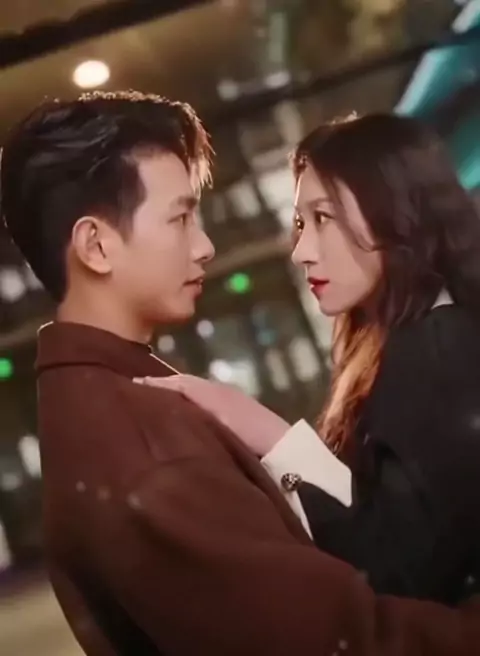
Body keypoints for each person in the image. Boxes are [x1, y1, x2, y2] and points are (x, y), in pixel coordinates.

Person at [1, 94, 479, 656]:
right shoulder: (144, 443)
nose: (205, 246)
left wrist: (275, 438)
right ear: (96, 245)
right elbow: (346, 636)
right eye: (181, 217)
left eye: (322, 218)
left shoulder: (113, 410)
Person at [140, 113, 480, 610]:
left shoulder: (438, 345)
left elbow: (400, 573)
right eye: (301, 223)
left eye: (324, 218)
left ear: (399, 211)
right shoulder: (398, 341)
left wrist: (273, 437)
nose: (301, 251)